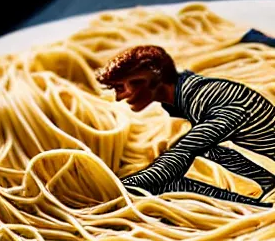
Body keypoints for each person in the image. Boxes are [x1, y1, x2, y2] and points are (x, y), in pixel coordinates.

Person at [95, 30, 275, 207]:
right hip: (261, 164)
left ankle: (258, 206)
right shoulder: (191, 95)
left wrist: (116, 190)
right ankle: (260, 195)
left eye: (120, 88)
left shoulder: (218, 101)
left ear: (146, 81)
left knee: (167, 181)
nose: (118, 97)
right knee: (173, 182)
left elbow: (181, 154)